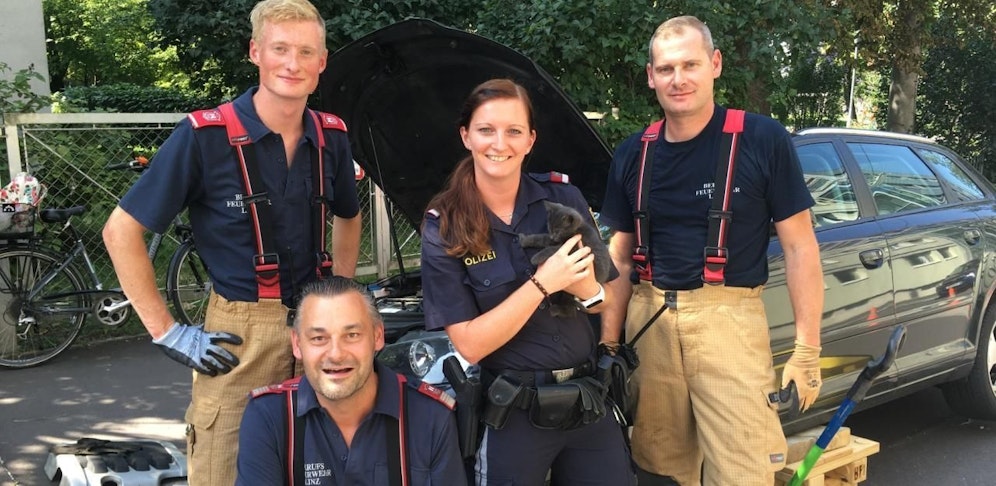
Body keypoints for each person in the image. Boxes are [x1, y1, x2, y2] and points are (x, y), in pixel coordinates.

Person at [101, 1, 361, 484]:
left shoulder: (332, 138)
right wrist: (167, 331)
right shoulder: (205, 136)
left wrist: (341, 295)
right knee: (223, 467)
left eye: (307, 52)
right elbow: (120, 232)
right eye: (280, 49)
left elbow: (349, 215)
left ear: (321, 63)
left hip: (318, 330)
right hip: (239, 334)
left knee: (321, 467)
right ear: (255, 52)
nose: (292, 63)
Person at [598, 16, 824, 486]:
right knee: (658, 469)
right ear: (650, 76)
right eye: (666, 69)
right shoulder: (632, 154)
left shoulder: (762, 140)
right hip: (650, 324)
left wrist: (807, 350)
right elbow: (619, 260)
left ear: (715, 64)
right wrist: (608, 346)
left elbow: (801, 248)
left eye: (690, 64)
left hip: (729, 322)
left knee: (745, 471)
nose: (678, 79)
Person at [420, 78, 635, 485]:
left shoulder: (564, 200)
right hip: (513, 413)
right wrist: (542, 284)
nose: (499, 143)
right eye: (486, 130)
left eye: (513, 131)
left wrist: (586, 291)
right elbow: (469, 343)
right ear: (466, 136)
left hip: (587, 400)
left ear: (530, 140)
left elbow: (602, 300)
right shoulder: (444, 226)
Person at [235, 277, 467, 485]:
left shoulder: (431, 416)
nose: (336, 354)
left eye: (352, 335)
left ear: (378, 336)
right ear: (297, 344)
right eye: (318, 338)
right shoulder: (269, 416)